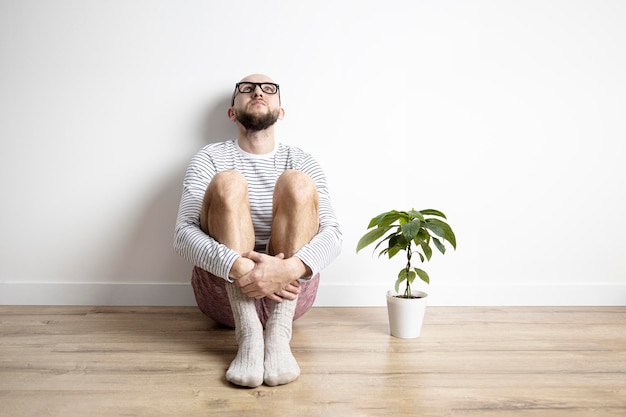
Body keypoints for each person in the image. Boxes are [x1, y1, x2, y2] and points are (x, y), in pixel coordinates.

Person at [173, 74, 342, 387]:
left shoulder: (302, 160)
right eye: (247, 89)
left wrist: (287, 268)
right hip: (224, 296)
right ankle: (249, 336)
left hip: (291, 296)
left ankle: (278, 338)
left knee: (297, 182)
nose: (258, 92)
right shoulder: (210, 158)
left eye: (268, 89)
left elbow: (333, 234)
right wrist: (241, 268)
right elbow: (182, 234)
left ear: (281, 110)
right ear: (232, 111)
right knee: (228, 181)